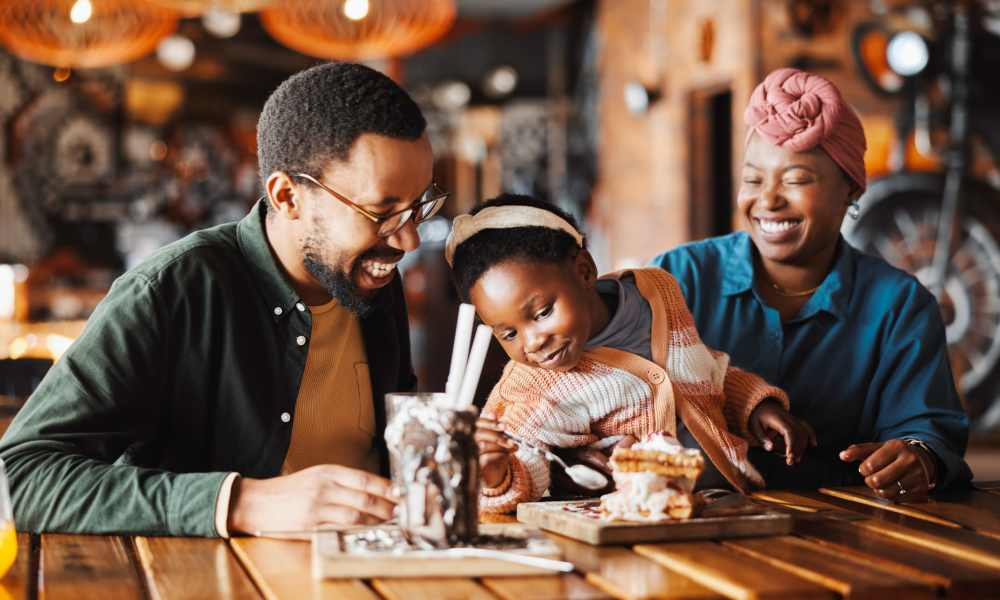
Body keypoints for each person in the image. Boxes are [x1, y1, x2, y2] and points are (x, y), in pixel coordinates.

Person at [0, 62, 447, 536]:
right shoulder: (173, 290)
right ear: (288, 197)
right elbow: (20, 476)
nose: (409, 242)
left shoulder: (372, 283)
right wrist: (241, 503)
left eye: (418, 207)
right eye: (382, 212)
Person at [651, 67, 972, 498]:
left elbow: (929, 432)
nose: (767, 200)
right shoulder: (678, 278)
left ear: (850, 190)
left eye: (796, 179)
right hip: (688, 519)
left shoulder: (898, 305)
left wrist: (918, 457)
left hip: (841, 531)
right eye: (753, 179)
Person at [446, 194, 814, 513]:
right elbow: (525, 460)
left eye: (542, 313)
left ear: (585, 271)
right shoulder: (535, 385)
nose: (532, 342)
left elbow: (703, 371)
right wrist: (497, 475)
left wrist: (755, 407)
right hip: (631, 530)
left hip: (735, 504)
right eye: (508, 332)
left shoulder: (658, 292)